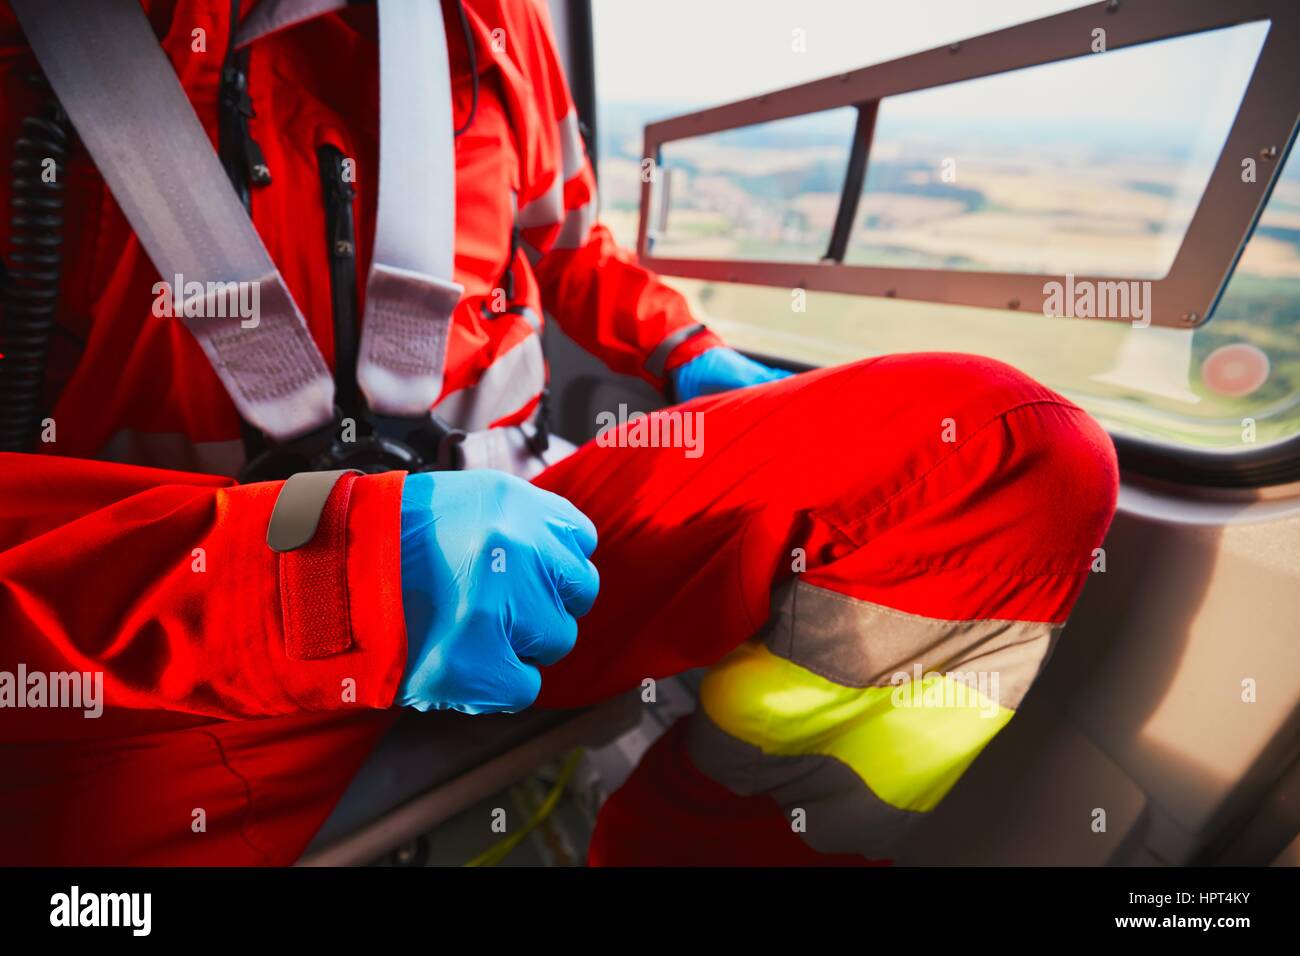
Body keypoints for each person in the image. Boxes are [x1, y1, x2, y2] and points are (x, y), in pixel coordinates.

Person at [0, 0, 1118, 865]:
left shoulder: (489, 24)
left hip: (535, 544)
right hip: (171, 643)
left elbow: (570, 239)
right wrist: (301, 580)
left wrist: (681, 347)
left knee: (1003, 456)